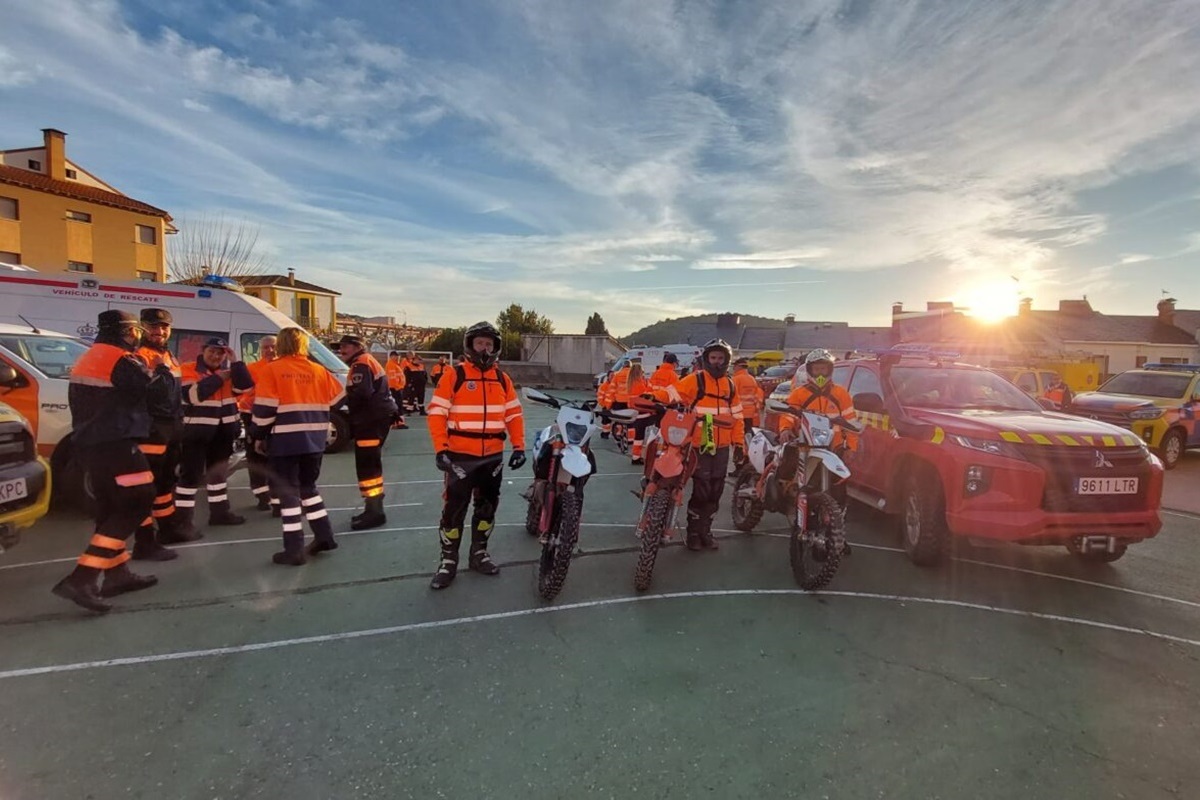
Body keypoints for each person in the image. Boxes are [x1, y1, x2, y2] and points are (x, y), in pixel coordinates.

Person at [52, 310, 160, 612]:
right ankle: (82, 578)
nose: (138, 336)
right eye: (136, 331)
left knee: (110, 507)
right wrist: (154, 367)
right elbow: (152, 390)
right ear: (127, 332)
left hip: (91, 443)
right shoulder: (121, 359)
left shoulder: (90, 356)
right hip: (116, 442)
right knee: (138, 500)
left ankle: (116, 574)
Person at [426, 321, 526, 590]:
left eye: (489, 344)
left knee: (487, 509)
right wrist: (441, 449)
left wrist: (519, 447)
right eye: (480, 343)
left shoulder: (502, 379)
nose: (484, 348)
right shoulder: (454, 375)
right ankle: (448, 561)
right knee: (453, 511)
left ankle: (479, 553)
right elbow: (437, 413)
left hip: (492, 457)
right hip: (460, 457)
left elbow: (514, 415)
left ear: (496, 348)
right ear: (470, 345)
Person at [249, 328, 347, 565]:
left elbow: (264, 410)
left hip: (285, 441)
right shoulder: (318, 370)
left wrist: (257, 436)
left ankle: (293, 549)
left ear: (281, 344)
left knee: (288, 493)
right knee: (309, 489)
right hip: (315, 440)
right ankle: (324, 536)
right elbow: (338, 399)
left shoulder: (273, 369)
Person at [649, 339, 745, 551]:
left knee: (715, 491)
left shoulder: (730, 385)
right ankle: (693, 533)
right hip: (698, 444)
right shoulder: (695, 379)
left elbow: (737, 417)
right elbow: (673, 393)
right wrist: (653, 395)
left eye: (720, 358)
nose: (717, 362)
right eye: (713, 357)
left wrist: (739, 444)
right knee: (701, 489)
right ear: (706, 359)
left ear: (727, 360)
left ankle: (706, 531)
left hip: (721, 447)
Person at [176, 338, 254, 532]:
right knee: (190, 477)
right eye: (212, 351)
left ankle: (220, 513)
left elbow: (246, 387)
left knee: (218, 475)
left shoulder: (228, 371)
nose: (216, 356)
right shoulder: (188, 369)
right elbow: (193, 396)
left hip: (222, 433)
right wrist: (220, 377)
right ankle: (182, 521)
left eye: (220, 353)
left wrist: (236, 362)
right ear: (203, 351)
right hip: (196, 433)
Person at [131, 308, 192, 557]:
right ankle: (144, 542)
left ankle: (167, 529)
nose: (159, 331)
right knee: (146, 486)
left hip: (171, 427)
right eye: (153, 326)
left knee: (166, 483)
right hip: (151, 428)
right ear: (142, 328)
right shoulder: (139, 355)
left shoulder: (168, 355)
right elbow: (150, 394)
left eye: (164, 327)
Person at [780, 349, 858, 517]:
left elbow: (850, 423)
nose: (820, 373)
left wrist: (851, 447)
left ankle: (836, 524)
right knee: (792, 473)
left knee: (838, 488)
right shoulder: (799, 393)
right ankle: (787, 497)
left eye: (824, 368)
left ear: (830, 370)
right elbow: (789, 414)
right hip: (805, 445)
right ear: (810, 370)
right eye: (817, 369)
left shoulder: (841, 394)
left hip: (834, 448)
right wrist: (785, 429)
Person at [337, 335, 399, 530]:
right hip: (375, 418)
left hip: (369, 421)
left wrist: (341, 404)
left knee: (368, 467)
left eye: (345, 346)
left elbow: (361, 393)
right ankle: (373, 508)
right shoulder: (366, 361)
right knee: (370, 465)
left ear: (358, 347)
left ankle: (375, 511)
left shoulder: (361, 364)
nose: (341, 350)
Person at [238, 335, 278, 513]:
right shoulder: (252, 369)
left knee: (276, 457)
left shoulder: (283, 368)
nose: (270, 350)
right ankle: (262, 496)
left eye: (273, 347)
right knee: (255, 457)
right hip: (252, 416)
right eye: (265, 347)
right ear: (260, 350)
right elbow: (241, 393)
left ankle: (277, 498)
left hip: (277, 416)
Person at [625, 362, 652, 463]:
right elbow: (646, 396)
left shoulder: (630, 383)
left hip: (634, 411)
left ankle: (635, 456)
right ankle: (636, 457)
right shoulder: (640, 384)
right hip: (642, 412)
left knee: (638, 435)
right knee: (640, 436)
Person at [731, 357, 765, 428]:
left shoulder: (735, 379)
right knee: (749, 433)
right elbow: (757, 396)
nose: (733, 368)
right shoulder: (752, 379)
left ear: (739, 366)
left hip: (739, 413)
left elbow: (731, 396)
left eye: (734, 366)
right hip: (751, 414)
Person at [385, 350, 409, 430]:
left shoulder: (395, 365)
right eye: (396, 356)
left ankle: (396, 423)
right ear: (391, 356)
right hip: (395, 388)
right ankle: (399, 423)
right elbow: (392, 378)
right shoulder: (391, 365)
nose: (398, 357)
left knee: (398, 406)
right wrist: (397, 387)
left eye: (398, 356)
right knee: (398, 406)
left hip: (397, 388)